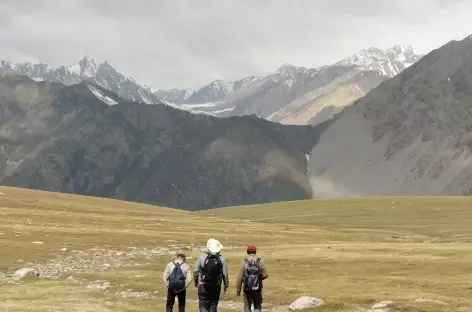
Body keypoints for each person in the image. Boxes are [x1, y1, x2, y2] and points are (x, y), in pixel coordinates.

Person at [194, 238, 229, 312]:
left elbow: (196, 271)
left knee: (203, 304)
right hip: (216, 285)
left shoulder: (202, 257)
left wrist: (196, 282)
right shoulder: (222, 258)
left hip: (203, 284)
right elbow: (225, 274)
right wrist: (226, 286)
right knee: (213, 304)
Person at [235, 245, 269, 312]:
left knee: (247, 306)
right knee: (257, 306)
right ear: (255, 251)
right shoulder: (260, 261)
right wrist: (259, 279)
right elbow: (266, 274)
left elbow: (239, 277)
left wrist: (238, 290)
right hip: (257, 288)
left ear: (247, 251)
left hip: (247, 289)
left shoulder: (244, 262)